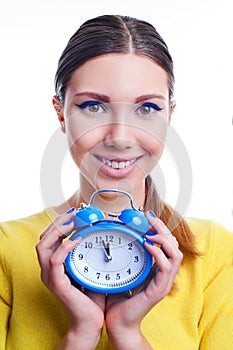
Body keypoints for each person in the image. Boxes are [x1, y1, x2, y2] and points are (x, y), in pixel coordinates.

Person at [0, 14, 232, 350]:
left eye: (147, 108)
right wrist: (81, 333)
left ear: (169, 115)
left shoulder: (215, 254)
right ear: (61, 114)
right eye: (93, 106)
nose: (120, 137)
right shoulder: (6, 250)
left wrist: (127, 332)